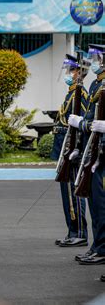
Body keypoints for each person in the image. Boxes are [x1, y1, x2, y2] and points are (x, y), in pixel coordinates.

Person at [70, 45, 104, 262]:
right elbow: (92, 116)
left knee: (102, 206)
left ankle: (101, 249)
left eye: (98, 57)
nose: (95, 61)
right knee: (95, 205)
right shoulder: (96, 84)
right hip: (95, 154)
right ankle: (98, 246)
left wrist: (84, 123)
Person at [53, 54, 89, 247]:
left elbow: (82, 124)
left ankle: (80, 232)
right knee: (66, 193)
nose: (67, 74)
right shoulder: (71, 93)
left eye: (71, 70)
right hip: (63, 148)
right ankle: (72, 230)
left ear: (78, 72)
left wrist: (77, 149)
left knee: (72, 192)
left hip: (72, 149)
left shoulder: (80, 94)